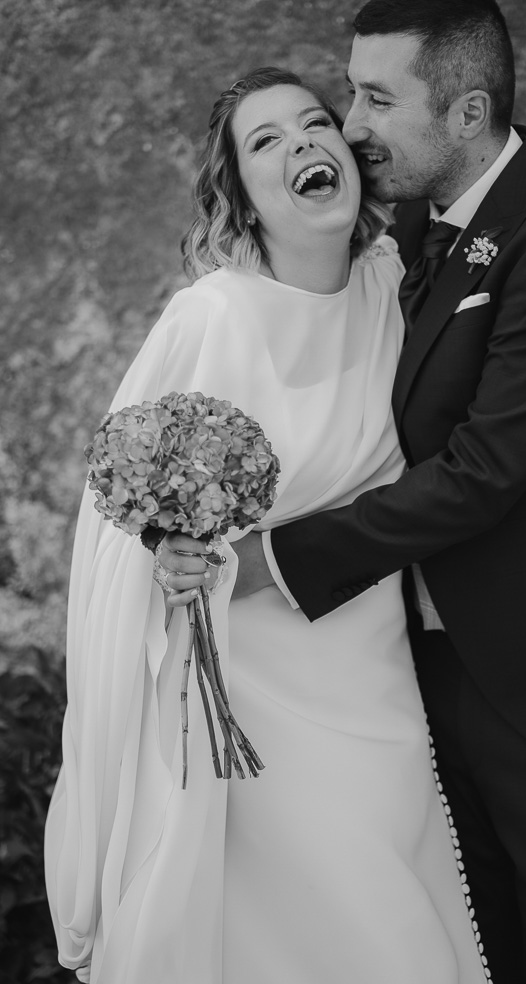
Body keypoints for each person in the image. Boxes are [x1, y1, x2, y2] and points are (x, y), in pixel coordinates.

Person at [229, 0, 526, 984]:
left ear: (466, 112)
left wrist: (271, 560)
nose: (350, 129)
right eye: (350, 96)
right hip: (441, 692)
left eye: (375, 101)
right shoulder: (408, 237)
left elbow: (478, 475)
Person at [44, 67, 491, 984]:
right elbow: (120, 496)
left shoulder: (397, 288)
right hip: (240, 687)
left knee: (387, 919)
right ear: (242, 197)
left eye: (315, 123)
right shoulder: (213, 316)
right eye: (265, 142)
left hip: (368, 675)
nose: (301, 146)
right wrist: (165, 552)